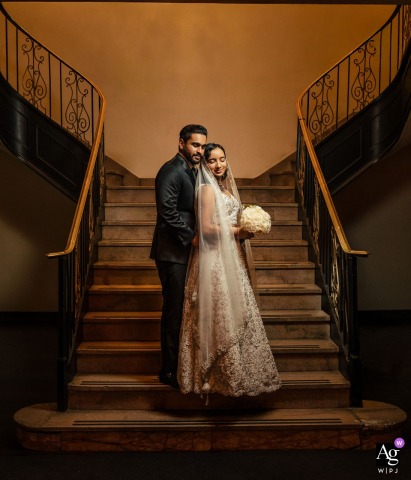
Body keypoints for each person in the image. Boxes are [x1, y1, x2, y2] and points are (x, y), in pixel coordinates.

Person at [178, 143, 281, 399]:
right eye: (212, 161)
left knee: (235, 312)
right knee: (220, 314)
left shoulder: (223, 188)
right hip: (213, 260)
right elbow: (205, 230)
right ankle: (213, 377)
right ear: (204, 164)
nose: (219, 165)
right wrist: (239, 232)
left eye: (222, 159)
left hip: (231, 256)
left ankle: (237, 375)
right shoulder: (206, 190)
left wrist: (249, 228)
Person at [150, 124, 208, 388]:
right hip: (173, 253)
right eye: (195, 145)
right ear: (181, 143)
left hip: (186, 252)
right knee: (173, 312)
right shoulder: (171, 170)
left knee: (184, 311)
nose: (199, 150)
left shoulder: (193, 170)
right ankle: (168, 371)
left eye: (202, 146)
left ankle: (182, 365)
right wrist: (192, 237)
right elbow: (167, 212)